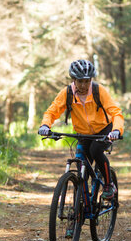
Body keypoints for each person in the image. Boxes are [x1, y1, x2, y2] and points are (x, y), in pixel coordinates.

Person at [38, 59, 124, 199]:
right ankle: (83, 202)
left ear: (91, 80)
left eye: (87, 81)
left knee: (95, 150)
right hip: (83, 133)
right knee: (82, 165)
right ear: (73, 79)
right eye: (80, 81)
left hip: (104, 130)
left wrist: (116, 130)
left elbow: (116, 112)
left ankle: (109, 184)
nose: (83, 85)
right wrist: (45, 125)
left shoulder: (98, 90)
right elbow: (51, 112)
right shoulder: (67, 93)